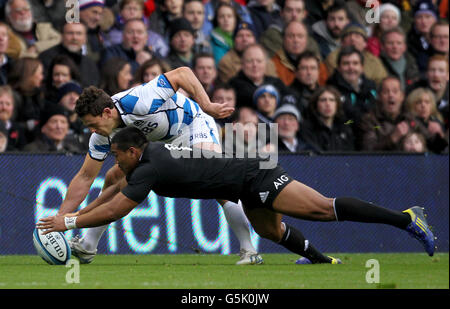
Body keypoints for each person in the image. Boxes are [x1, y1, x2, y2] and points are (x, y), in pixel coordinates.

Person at [37, 126, 437, 264]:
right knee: (269, 230)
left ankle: (406, 218)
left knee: (321, 210)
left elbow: (117, 211)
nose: (115, 163)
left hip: (254, 175)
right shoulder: (144, 161)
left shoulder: (148, 167)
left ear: (132, 151)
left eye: (117, 156)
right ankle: (321, 260)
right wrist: (77, 214)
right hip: (241, 184)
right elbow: (110, 193)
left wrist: (67, 221)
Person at [54, 66, 263, 265]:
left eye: (93, 124)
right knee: (113, 178)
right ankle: (88, 245)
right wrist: (60, 220)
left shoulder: (139, 101)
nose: (92, 131)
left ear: (107, 113)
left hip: (191, 125)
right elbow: (85, 177)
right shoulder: (100, 136)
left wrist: (207, 105)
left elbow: (183, 73)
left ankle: (249, 250)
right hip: (161, 142)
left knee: (219, 184)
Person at [358, 76, 415, 151]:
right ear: (379, 97)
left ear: (402, 96)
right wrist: (393, 138)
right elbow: (369, 150)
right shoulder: (370, 120)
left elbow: (427, 140)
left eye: (395, 91)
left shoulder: (410, 118)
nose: (391, 95)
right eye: (385, 92)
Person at [326, 46, 377, 126]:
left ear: (362, 67)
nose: (351, 67)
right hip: (345, 128)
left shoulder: (371, 86)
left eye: (355, 63)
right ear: (339, 68)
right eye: (346, 63)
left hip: (370, 130)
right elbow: (345, 120)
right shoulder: (331, 89)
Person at [229, 43, 291, 109]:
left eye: (259, 61)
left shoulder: (277, 83)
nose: (255, 65)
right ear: (242, 64)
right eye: (250, 61)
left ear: (265, 63)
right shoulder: (233, 86)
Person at [38, 22, 100, 88]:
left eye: (79, 33)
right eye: (70, 33)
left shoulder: (90, 63)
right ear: (62, 36)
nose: (74, 38)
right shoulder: (46, 57)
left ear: (85, 38)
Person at [103, 0, 168, 58]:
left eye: (135, 9)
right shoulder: (110, 36)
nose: (132, 12)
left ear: (142, 12)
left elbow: (163, 53)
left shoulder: (154, 37)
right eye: (128, 8)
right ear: (121, 11)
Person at [300, 86, 355, 152]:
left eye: (332, 100)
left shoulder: (344, 128)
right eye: (323, 100)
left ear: (337, 104)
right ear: (315, 104)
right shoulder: (307, 128)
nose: (328, 104)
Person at [405, 87, 448, 153]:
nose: (423, 105)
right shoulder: (407, 122)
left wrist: (440, 134)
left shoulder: (437, 122)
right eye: (419, 102)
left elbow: (444, 150)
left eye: (427, 102)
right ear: (412, 105)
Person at [407, 0, 439, 73]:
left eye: (428, 17)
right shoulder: (408, 42)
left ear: (435, 20)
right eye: (419, 17)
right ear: (414, 21)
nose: (423, 21)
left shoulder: (444, 40)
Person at [288, 51, 320, 116]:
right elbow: (269, 124)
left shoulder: (325, 94)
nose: (309, 73)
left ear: (318, 72)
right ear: (296, 72)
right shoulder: (287, 96)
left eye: (313, 68)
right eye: (304, 68)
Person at [0, 84, 26, 150]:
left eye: (8, 104)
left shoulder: (18, 129)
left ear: (13, 107)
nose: (4, 107)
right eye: (0, 103)